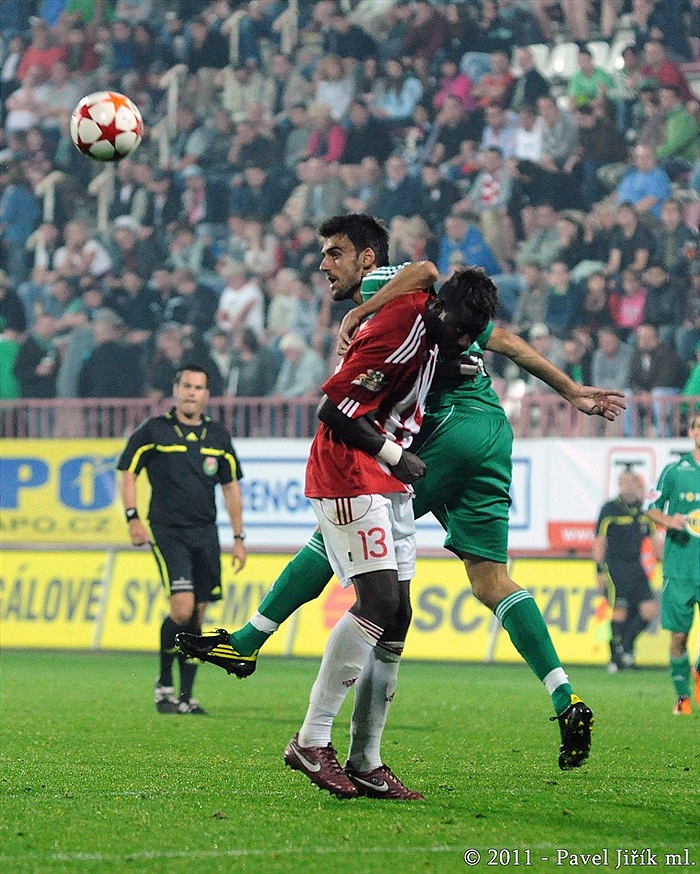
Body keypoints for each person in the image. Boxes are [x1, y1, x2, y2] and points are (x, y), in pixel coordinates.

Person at [179, 248, 625, 772]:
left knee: (342, 529)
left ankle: (248, 642)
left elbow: (422, 275)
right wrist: (572, 392)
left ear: (360, 261)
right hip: (491, 431)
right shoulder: (458, 313)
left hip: (448, 427)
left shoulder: (393, 292)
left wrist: (359, 312)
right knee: (490, 582)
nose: (328, 271)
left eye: (334, 260)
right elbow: (507, 343)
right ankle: (563, 695)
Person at [118, 364, 247, 715]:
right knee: (182, 607)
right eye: (186, 385)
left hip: (205, 532)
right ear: (176, 390)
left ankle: (187, 697)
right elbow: (127, 471)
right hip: (168, 530)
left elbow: (231, 486)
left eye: (199, 387)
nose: (192, 392)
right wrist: (133, 517)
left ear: (207, 394)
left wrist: (238, 537)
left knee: (198, 617)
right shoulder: (154, 431)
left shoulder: (218, 436)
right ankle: (164, 685)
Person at [646, 414, 700, 716]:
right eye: (699, 427)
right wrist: (671, 521)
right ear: (691, 432)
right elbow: (651, 508)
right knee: (679, 637)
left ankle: (698, 672)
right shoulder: (675, 471)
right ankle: (682, 697)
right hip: (679, 569)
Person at [593, 471, 661, 674]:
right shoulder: (610, 509)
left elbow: (656, 544)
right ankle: (615, 658)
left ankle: (626, 646)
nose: (630, 487)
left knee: (649, 610)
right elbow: (599, 541)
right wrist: (598, 569)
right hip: (615, 566)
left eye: (633, 483)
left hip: (636, 566)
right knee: (619, 612)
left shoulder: (644, 512)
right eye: (626, 483)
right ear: (619, 485)